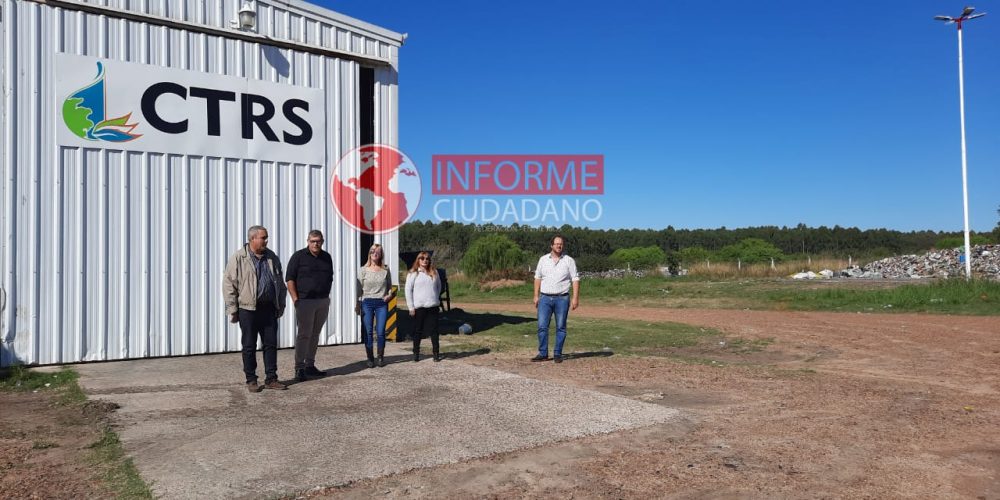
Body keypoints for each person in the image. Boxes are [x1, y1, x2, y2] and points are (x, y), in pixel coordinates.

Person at [223, 225, 288, 392]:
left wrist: (281, 303)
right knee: (249, 345)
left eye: (266, 237)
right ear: (252, 239)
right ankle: (251, 379)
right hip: (248, 309)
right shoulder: (239, 257)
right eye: (263, 238)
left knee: (271, 344)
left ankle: (271, 378)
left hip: (268, 308)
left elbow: (280, 283)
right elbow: (229, 284)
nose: (266, 241)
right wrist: (232, 309)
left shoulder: (271, 256)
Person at [286, 230, 334, 382]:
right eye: (313, 241)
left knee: (315, 335)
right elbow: (290, 279)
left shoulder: (327, 257)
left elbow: (330, 277)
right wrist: (295, 299)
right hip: (305, 302)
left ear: (323, 241)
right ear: (308, 241)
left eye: (318, 241)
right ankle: (299, 367)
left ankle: (310, 365)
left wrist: (326, 297)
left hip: (322, 301)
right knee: (304, 335)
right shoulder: (298, 257)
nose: (316, 243)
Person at [532, 235, 580, 364]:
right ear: (551, 245)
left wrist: (575, 298)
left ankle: (557, 353)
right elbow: (537, 278)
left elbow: (575, 279)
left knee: (561, 327)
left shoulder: (569, 261)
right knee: (542, 326)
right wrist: (536, 296)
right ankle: (543, 353)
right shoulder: (543, 260)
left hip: (562, 299)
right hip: (545, 298)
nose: (559, 246)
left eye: (561, 244)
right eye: (557, 244)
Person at [356, 243, 394, 368]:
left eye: (377, 251)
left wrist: (388, 296)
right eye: (372, 251)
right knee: (368, 331)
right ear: (369, 254)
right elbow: (358, 289)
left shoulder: (386, 270)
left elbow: (390, 286)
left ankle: (380, 357)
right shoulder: (363, 270)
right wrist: (357, 304)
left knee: (381, 331)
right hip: (367, 302)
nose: (375, 253)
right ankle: (370, 358)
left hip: (381, 304)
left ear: (381, 254)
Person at [405, 252, 442, 362]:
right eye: (422, 258)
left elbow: (439, 287)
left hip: (432, 306)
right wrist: (411, 307)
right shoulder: (413, 273)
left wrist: (435, 297)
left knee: (434, 331)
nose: (424, 260)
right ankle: (416, 353)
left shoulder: (434, 272)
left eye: (427, 258)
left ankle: (436, 353)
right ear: (418, 260)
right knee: (418, 331)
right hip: (419, 307)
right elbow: (408, 290)